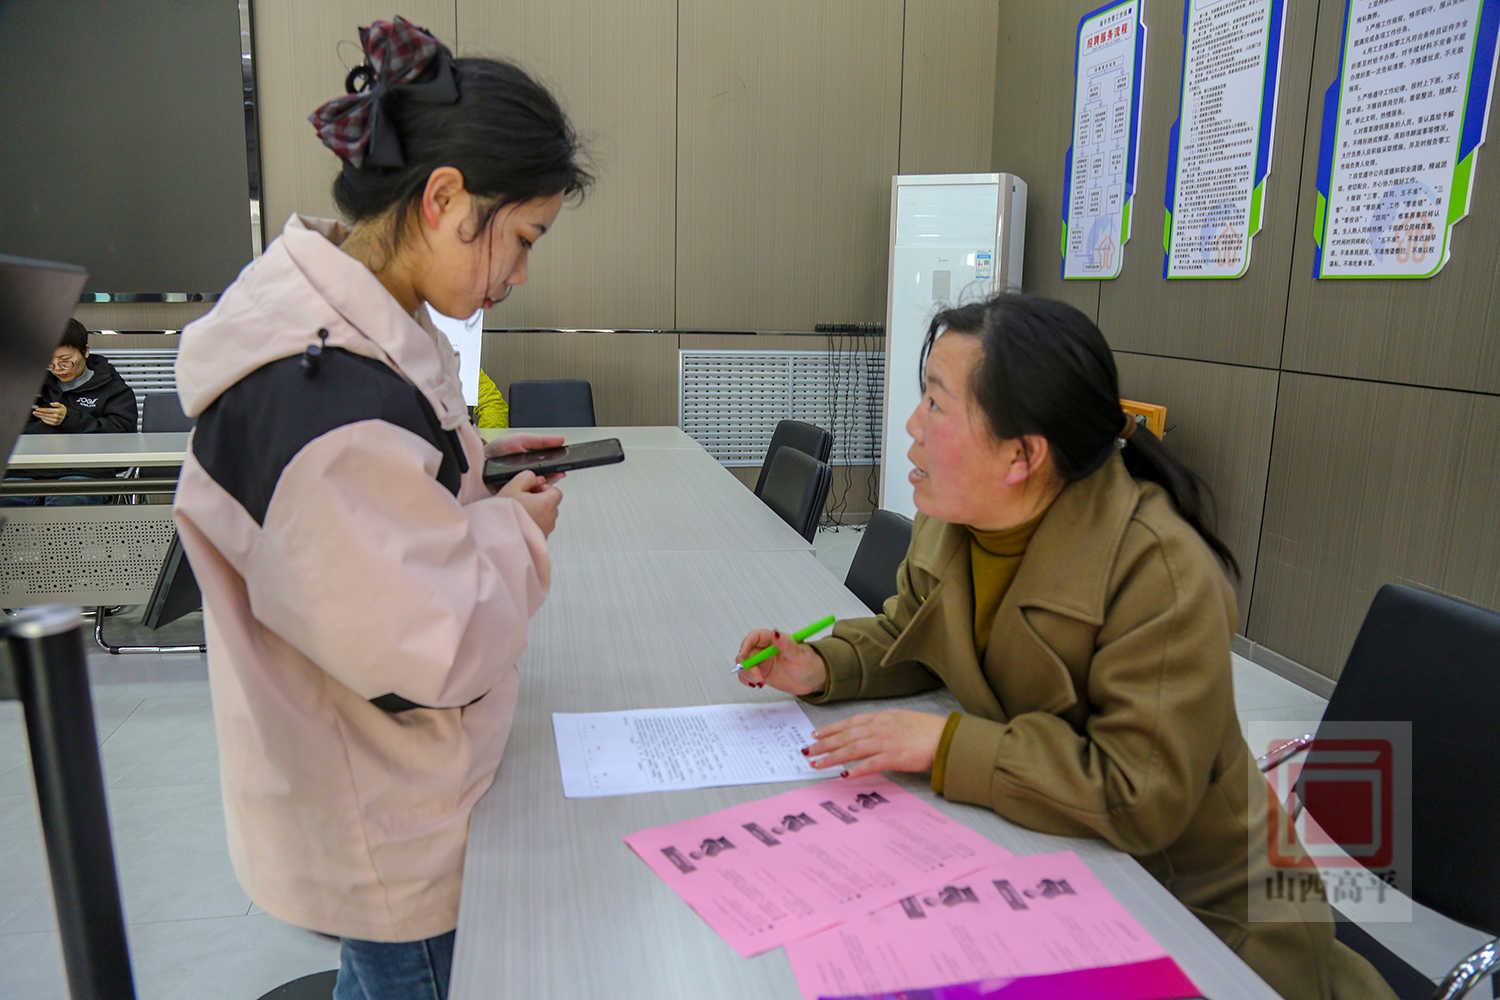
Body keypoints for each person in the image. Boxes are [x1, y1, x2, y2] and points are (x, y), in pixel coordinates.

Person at [735, 294, 1395, 1000]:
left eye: (936, 404)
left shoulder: (1160, 572)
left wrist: (948, 745)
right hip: (1065, 863)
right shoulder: (956, 518)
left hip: (1208, 918)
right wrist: (822, 663)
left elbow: (1139, 795)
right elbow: (913, 633)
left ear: (1022, 455)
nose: (912, 426)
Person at [171, 17, 590, 1000]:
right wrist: (517, 529)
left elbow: (386, 509)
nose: (520, 274)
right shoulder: (320, 398)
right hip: (388, 822)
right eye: (521, 239)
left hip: (371, 784)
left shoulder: (343, 323)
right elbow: (435, 646)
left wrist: (473, 468)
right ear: (444, 200)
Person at [0, 318, 137, 507]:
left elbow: (123, 437)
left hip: (85, 471)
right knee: (9, 500)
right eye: (50, 362)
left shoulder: (113, 389)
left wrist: (70, 419)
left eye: (65, 362)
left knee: (66, 502)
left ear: (85, 351)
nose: (58, 369)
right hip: (26, 470)